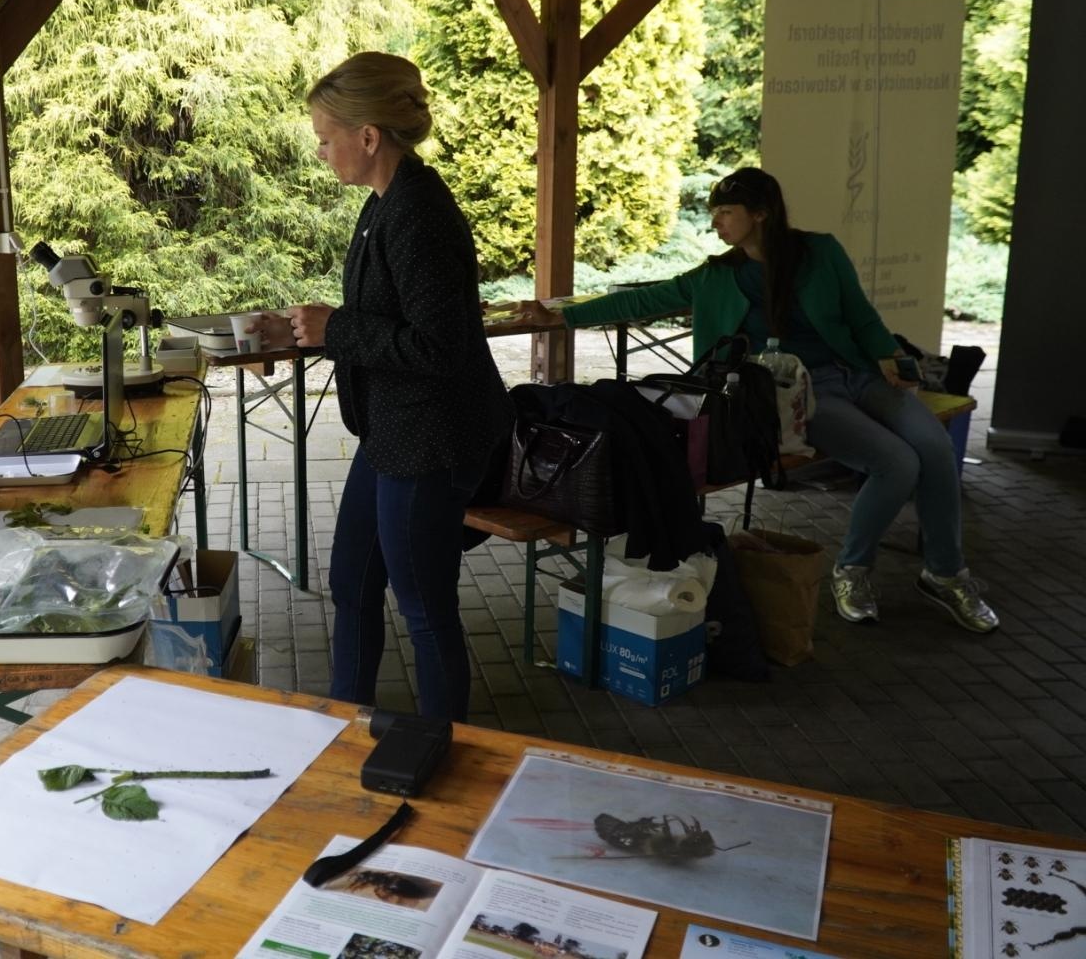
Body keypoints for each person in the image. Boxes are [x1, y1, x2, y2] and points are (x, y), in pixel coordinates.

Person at [550, 166, 997, 634]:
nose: (716, 223)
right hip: (800, 395)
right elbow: (641, 302)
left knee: (936, 448)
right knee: (897, 463)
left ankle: (946, 573)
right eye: (714, 213)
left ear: (760, 214)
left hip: (861, 376)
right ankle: (853, 571)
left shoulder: (821, 252)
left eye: (725, 212)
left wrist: (889, 357)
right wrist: (562, 315)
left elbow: (860, 315)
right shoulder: (717, 275)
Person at [267, 52, 514, 721]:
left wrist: (335, 329)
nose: (321, 152)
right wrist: (326, 327)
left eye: (326, 137)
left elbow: (439, 345)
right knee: (352, 580)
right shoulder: (385, 204)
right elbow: (392, 317)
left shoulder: (418, 213)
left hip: (431, 437)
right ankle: (348, 722)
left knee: (425, 607)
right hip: (392, 434)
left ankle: (447, 746)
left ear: (368, 136)